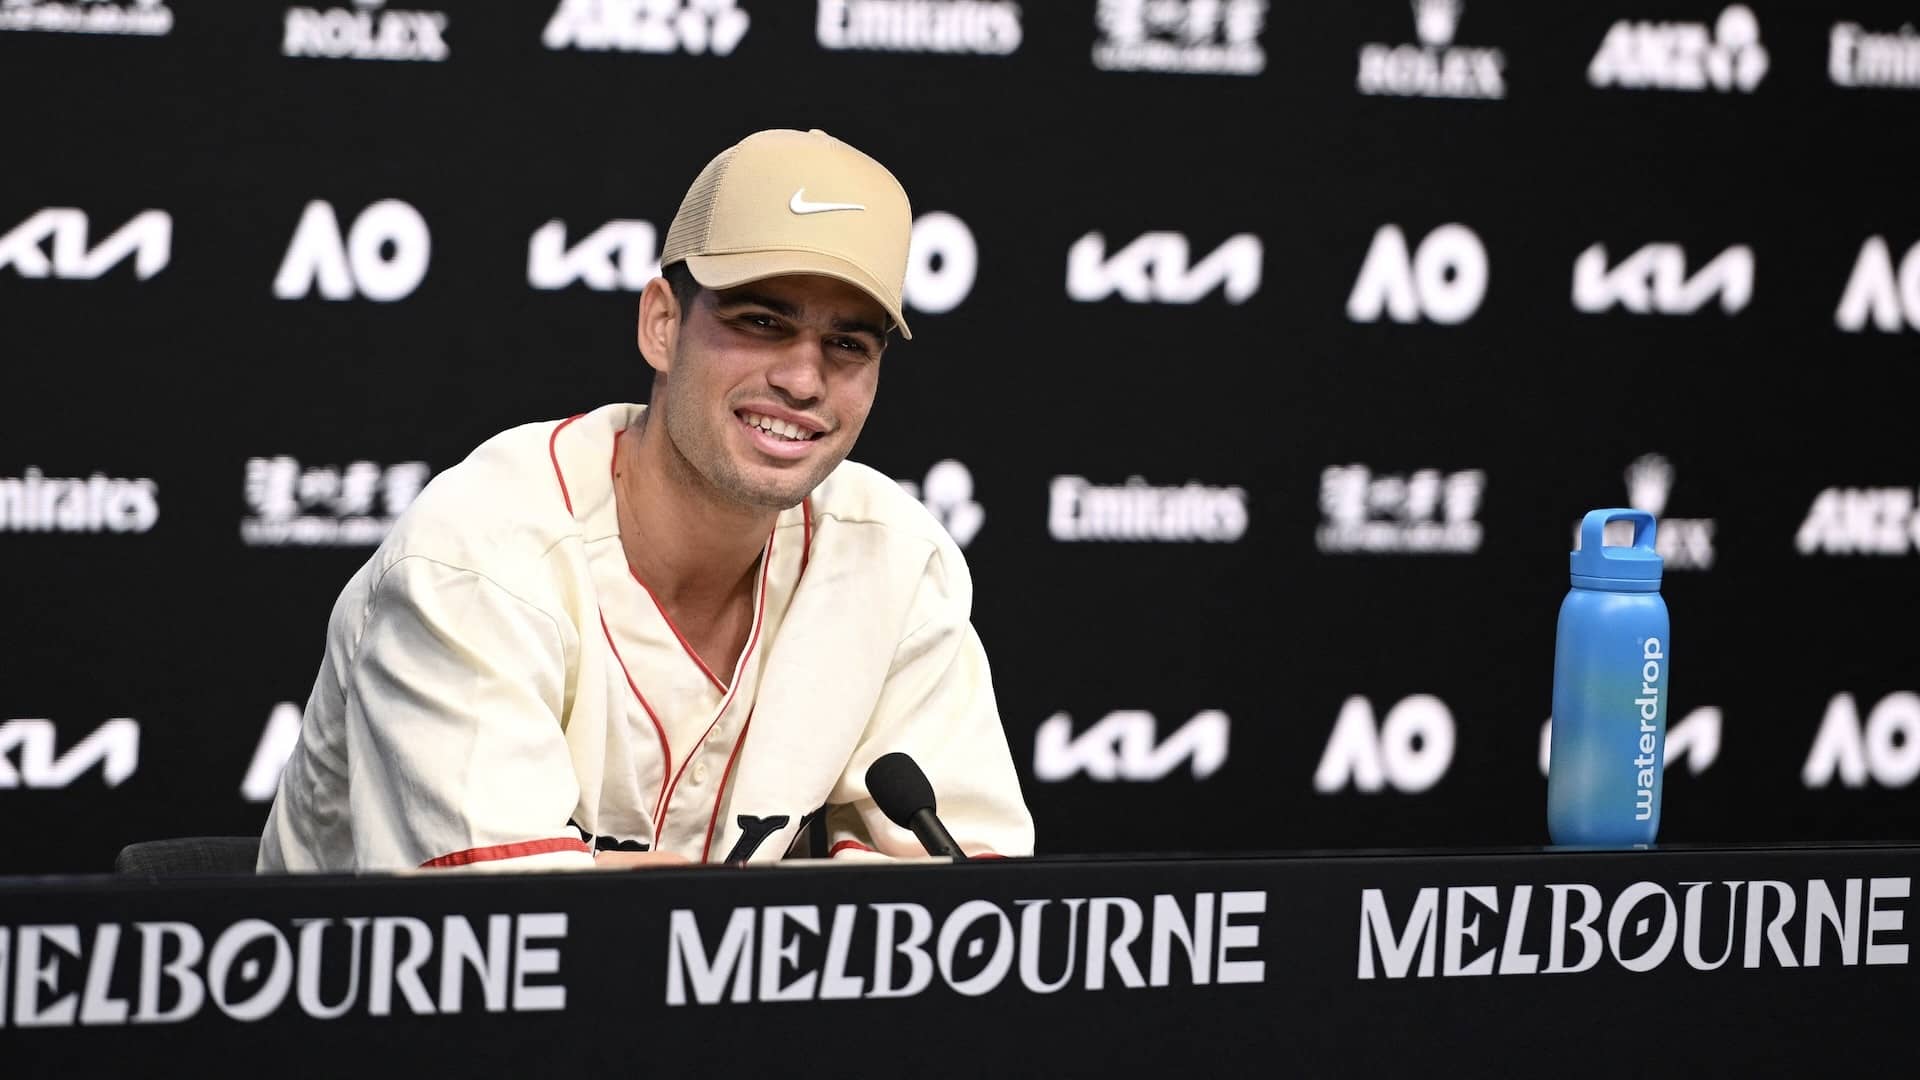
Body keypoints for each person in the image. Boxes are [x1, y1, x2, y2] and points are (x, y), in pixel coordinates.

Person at [258, 128, 1035, 872]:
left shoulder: (896, 558)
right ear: (662, 324)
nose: (804, 380)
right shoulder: (479, 554)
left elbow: (955, 912)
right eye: (762, 321)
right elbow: (500, 942)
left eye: (849, 344)